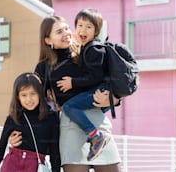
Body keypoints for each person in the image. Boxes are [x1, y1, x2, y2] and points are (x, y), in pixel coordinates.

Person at [9, 15, 121, 172]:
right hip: (70, 126)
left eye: (67, 28)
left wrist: (114, 99)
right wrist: (14, 133)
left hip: (98, 121)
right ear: (48, 40)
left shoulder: (86, 53)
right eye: (59, 31)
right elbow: (32, 104)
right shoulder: (43, 67)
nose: (66, 33)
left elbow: (112, 81)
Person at [58, 8, 120, 161]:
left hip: (101, 89)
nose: (82, 30)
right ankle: (95, 137)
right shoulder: (87, 48)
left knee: (69, 107)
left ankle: (96, 136)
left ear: (96, 31)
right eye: (79, 25)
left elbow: (95, 76)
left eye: (88, 27)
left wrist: (73, 82)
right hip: (102, 92)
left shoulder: (94, 48)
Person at [0, 72, 61, 172]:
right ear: (18, 97)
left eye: (33, 94)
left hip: (35, 166)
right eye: (24, 95)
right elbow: (0, 149)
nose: (29, 99)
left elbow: (54, 151)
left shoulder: (51, 118)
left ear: (39, 93)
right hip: (11, 165)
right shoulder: (13, 118)